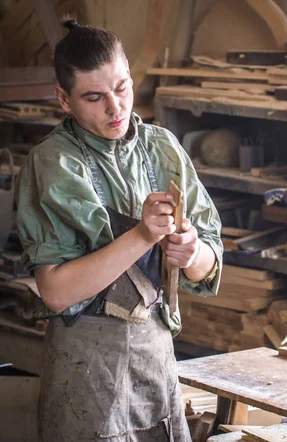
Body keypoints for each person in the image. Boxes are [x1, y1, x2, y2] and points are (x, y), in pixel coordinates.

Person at [15, 19, 223, 441]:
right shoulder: (53, 162)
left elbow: (209, 263)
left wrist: (192, 252)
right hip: (85, 368)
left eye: (123, 88)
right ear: (64, 99)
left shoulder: (162, 147)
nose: (115, 108)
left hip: (156, 357)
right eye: (94, 97)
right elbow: (56, 292)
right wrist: (142, 237)